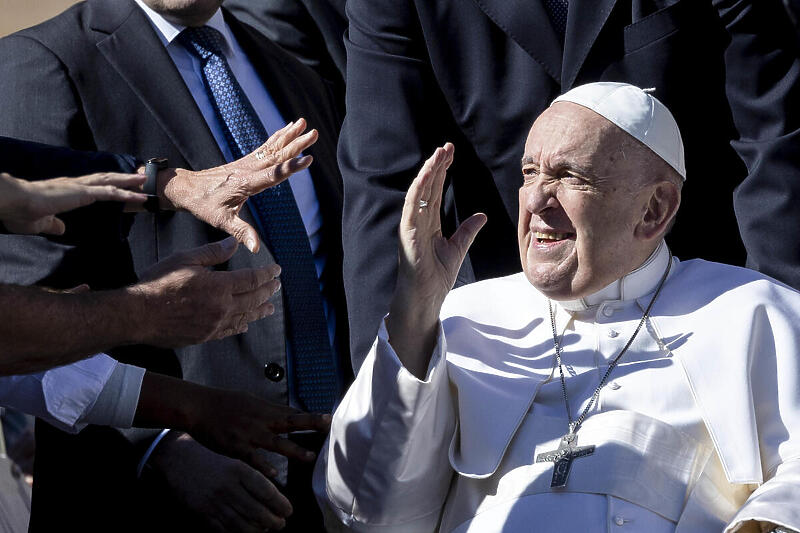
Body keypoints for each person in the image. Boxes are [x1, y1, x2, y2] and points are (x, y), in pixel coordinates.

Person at [316, 83, 800, 532]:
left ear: (654, 209)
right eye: (530, 173)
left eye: (571, 176)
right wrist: (414, 308)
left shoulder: (754, 310)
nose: (538, 199)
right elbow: (363, 511)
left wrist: (769, 519)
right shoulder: (461, 317)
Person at [0, 1, 348, 531]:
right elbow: (26, 324)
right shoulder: (42, 61)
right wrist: (160, 446)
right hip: (155, 497)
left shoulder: (289, 65)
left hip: (329, 479)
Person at [338, 0, 800, 372]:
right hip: (505, 353)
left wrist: (777, 343)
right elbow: (388, 188)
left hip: (701, 319)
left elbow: (773, 144)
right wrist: (389, 386)